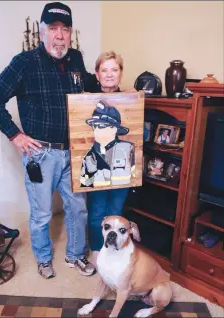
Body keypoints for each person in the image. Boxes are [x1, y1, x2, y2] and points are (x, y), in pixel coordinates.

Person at [0, 2, 96, 279]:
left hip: (75, 151)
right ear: (42, 31)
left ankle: (76, 255)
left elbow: (91, 88)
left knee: (78, 209)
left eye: (65, 29)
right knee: (42, 214)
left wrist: (116, 88)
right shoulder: (25, 62)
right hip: (41, 155)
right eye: (53, 28)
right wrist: (15, 135)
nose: (59, 35)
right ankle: (44, 259)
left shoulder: (76, 60)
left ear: (70, 33)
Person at [85, 51, 131, 265]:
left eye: (114, 69)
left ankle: (113, 249)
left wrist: (135, 98)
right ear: (97, 74)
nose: (109, 74)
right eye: (104, 70)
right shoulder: (86, 99)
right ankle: (96, 248)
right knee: (96, 213)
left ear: (121, 73)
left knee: (116, 211)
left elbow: (142, 137)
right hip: (98, 170)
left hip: (121, 173)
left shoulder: (131, 101)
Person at [80, 100, 136, 188]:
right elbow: (85, 184)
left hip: (120, 191)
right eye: (95, 126)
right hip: (98, 194)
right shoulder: (90, 155)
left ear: (114, 129)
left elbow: (137, 175)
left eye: (101, 126)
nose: (96, 130)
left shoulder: (128, 149)